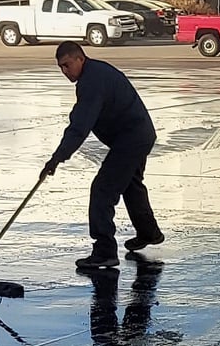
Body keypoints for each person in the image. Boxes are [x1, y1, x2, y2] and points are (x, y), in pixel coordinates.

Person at [41, 41, 163, 270]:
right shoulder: (95, 73)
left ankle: (105, 250)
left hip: (131, 138)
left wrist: (57, 157)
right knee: (131, 184)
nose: (65, 71)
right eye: (61, 68)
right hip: (138, 134)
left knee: (103, 189)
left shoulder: (92, 82)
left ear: (80, 59)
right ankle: (150, 232)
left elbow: (80, 125)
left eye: (67, 65)